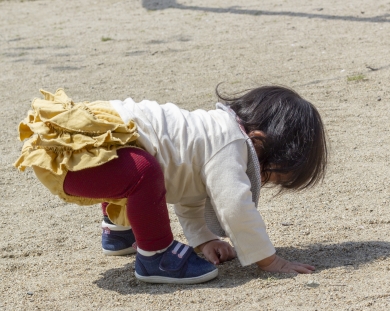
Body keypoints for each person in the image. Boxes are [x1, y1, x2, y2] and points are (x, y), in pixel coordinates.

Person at [14, 86, 327, 284]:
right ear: (259, 141)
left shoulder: (206, 137)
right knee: (143, 173)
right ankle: (155, 257)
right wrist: (269, 259)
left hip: (83, 159)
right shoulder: (230, 142)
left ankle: (118, 232)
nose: (264, 181)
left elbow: (188, 194)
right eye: (272, 175)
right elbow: (234, 205)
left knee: (144, 171)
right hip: (73, 156)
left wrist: (204, 240)